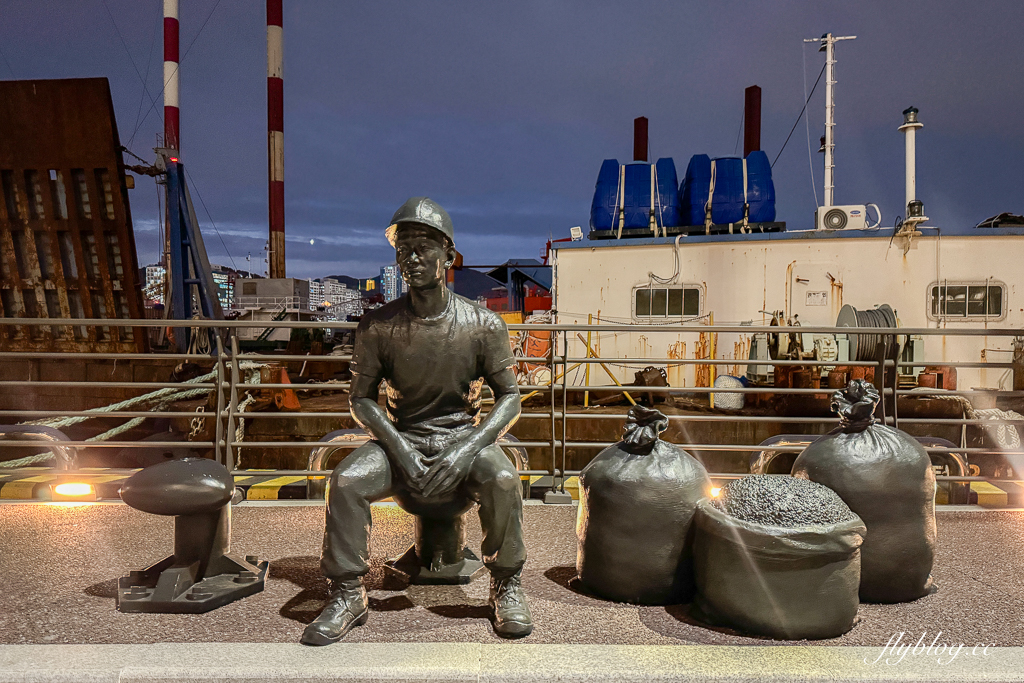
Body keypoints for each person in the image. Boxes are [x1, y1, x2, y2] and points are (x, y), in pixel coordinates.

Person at [301, 197, 532, 646]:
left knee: (503, 478)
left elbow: (510, 398)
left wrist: (467, 447)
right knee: (346, 480)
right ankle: (347, 592)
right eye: (403, 247)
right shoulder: (378, 325)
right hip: (402, 437)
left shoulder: (483, 324)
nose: (411, 257)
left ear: (448, 255)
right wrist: (399, 448)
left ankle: (506, 584)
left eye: (424, 246)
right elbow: (361, 400)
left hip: (462, 439)